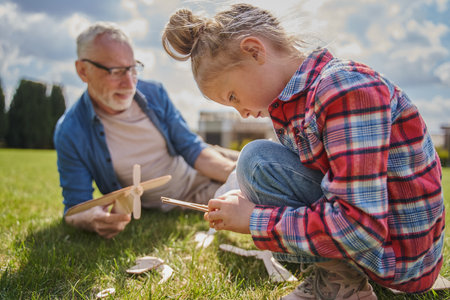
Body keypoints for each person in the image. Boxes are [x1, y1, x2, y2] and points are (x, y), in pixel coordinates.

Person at [161, 4, 445, 299]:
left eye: (232, 96)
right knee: (257, 168)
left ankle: (341, 282)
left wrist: (255, 220)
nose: (242, 113)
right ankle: (339, 272)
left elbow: (360, 227)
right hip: (384, 245)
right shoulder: (299, 105)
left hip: (400, 261)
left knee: (256, 161)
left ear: (254, 51)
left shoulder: (342, 89)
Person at [54, 22, 238, 239]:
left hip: (210, 158)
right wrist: (93, 219)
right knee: (260, 196)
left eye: (132, 68)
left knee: (271, 162)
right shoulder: (71, 132)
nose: (129, 82)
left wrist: (239, 173)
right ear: (83, 70)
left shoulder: (154, 93)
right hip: (190, 194)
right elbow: (75, 208)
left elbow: (190, 147)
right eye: (115, 71)